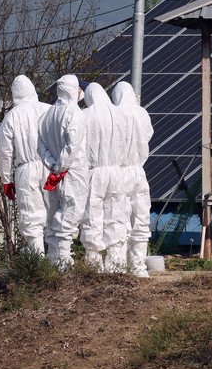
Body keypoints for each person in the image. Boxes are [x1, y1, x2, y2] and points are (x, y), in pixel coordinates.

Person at [0, 75, 54, 256]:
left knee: (31, 216)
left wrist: (6, 180)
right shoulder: (50, 110)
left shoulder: (12, 116)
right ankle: (58, 259)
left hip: (26, 170)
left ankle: (37, 260)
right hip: (51, 167)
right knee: (55, 212)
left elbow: (5, 152)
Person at [38, 75, 87, 271]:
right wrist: (60, 167)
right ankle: (63, 262)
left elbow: (39, 145)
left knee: (55, 213)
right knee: (71, 213)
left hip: (55, 172)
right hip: (72, 172)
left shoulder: (47, 114)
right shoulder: (74, 113)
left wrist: (52, 165)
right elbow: (72, 145)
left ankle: (53, 258)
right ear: (72, 90)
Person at [80, 82, 128, 272]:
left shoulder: (85, 115)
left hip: (94, 171)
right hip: (116, 171)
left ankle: (93, 261)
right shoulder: (120, 114)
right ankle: (116, 262)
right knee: (115, 214)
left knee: (92, 215)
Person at [112, 81, 155, 277]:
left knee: (119, 217)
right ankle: (138, 266)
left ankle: (118, 263)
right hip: (139, 171)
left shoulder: (115, 113)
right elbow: (148, 136)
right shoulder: (142, 113)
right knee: (141, 217)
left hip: (120, 172)